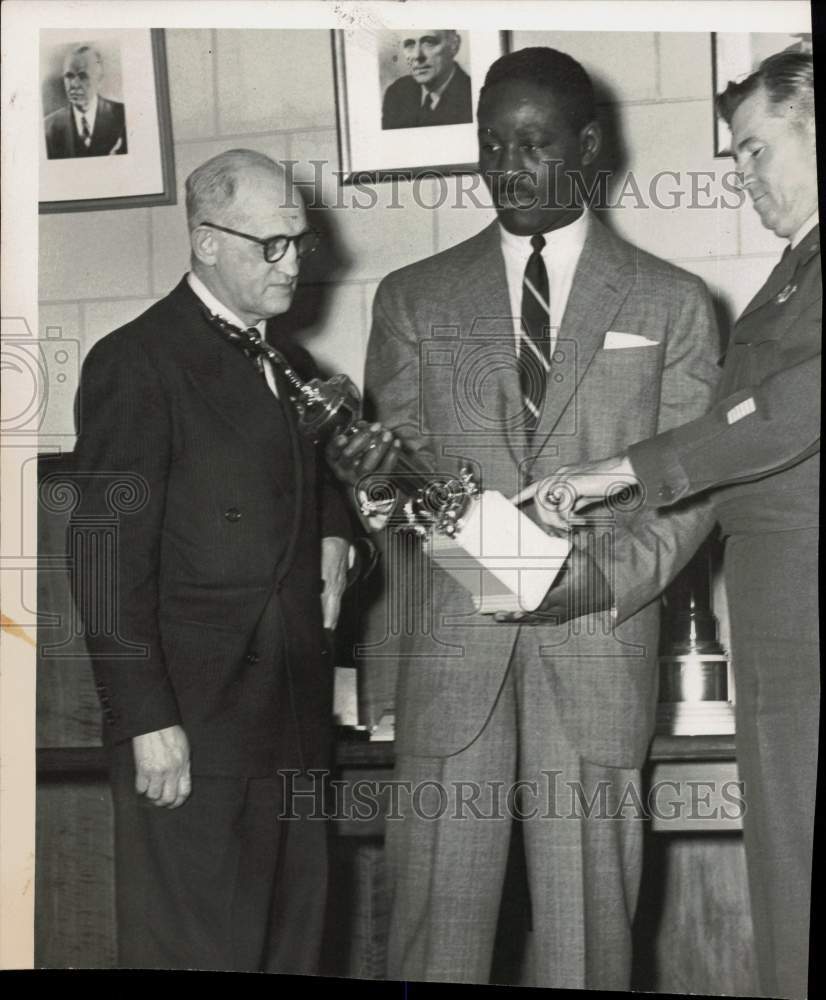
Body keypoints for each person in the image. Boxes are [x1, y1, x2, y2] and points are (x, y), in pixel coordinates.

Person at [328, 47, 720, 988]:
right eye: (492, 144)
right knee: (435, 942)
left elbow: (693, 490)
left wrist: (583, 581)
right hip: (450, 670)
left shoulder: (673, 303)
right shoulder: (413, 298)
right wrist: (372, 484)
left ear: (589, 147)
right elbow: (399, 480)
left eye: (535, 144)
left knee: (592, 950)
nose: (507, 166)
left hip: (596, 648)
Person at [520, 51, 819, 1000]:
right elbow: (727, 459)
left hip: (808, 627)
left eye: (757, 149)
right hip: (780, 632)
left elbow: (786, 412)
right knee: (786, 887)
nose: (742, 173)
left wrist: (621, 469)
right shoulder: (792, 275)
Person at [70, 148, 353, 972]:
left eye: (299, 241)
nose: (293, 262)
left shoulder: (291, 365)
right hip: (193, 730)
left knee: (292, 951)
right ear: (205, 242)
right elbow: (102, 559)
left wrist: (337, 530)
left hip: (291, 729)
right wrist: (146, 719)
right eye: (271, 244)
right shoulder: (136, 361)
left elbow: (304, 484)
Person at [44, 44, 127, 159]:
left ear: (99, 80)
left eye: (83, 76)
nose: (74, 84)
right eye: (69, 76)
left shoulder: (123, 117)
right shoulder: (48, 128)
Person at [381, 29, 472, 130]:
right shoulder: (396, 93)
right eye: (409, 44)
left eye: (429, 42)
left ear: (454, 45)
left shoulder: (472, 97)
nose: (417, 56)